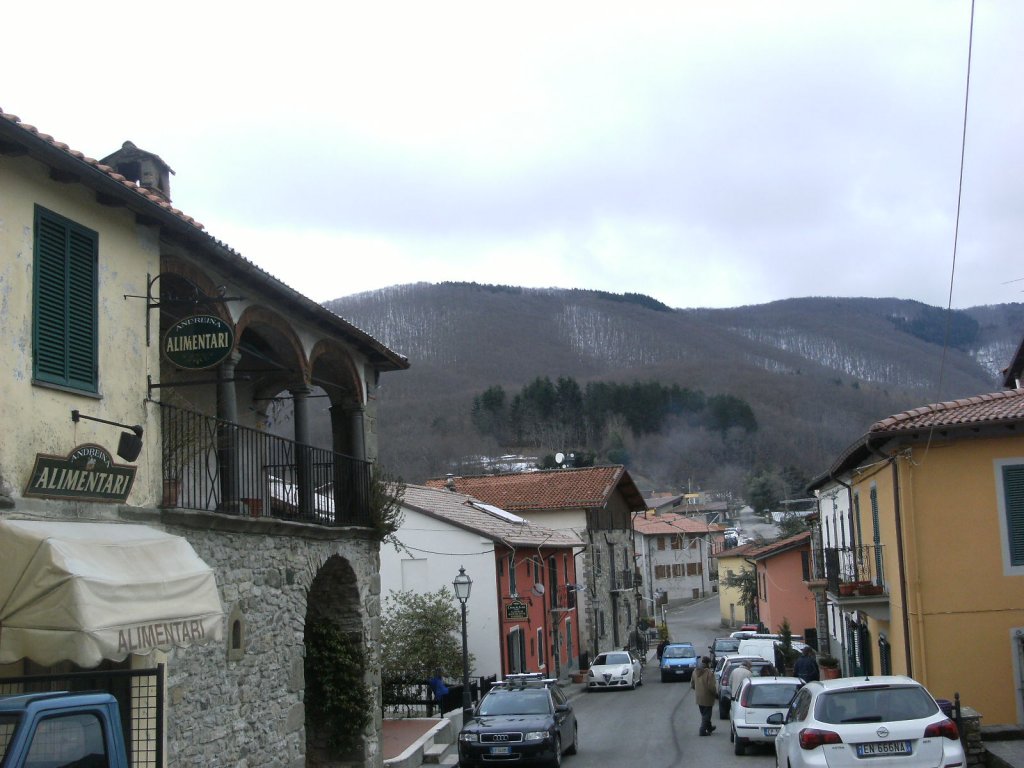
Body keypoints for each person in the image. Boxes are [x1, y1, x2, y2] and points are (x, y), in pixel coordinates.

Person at [691, 656, 718, 736]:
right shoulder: (709, 673)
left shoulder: (695, 671)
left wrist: (698, 689)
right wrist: (715, 694)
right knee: (707, 715)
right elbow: (711, 687)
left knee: (704, 713)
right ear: (707, 663)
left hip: (698, 697)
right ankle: (702, 731)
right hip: (707, 697)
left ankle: (709, 727)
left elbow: (692, 684)